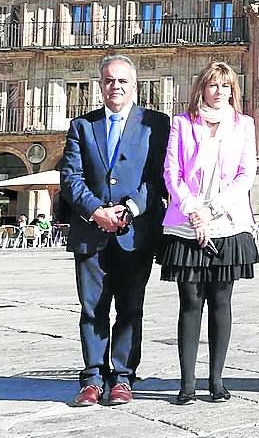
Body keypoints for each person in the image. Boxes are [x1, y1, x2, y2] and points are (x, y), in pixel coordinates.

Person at [59, 54, 171, 407]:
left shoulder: (156, 124)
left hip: (134, 232)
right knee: (92, 308)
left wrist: (130, 208)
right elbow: (70, 177)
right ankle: (92, 378)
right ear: (101, 85)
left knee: (130, 308)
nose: (115, 86)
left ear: (134, 85)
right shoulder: (82, 125)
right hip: (91, 232)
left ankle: (123, 377)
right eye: (109, 80)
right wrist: (96, 210)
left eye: (122, 81)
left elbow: (159, 177)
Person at [158, 61, 259, 405]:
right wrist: (193, 210)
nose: (219, 91)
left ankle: (216, 380)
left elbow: (246, 175)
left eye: (226, 86)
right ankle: (187, 383)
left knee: (220, 302)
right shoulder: (182, 124)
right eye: (213, 85)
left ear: (234, 90)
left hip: (227, 221)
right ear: (201, 88)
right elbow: (172, 172)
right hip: (187, 222)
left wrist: (212, 209)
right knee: (189, 302)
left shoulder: (244, 125)